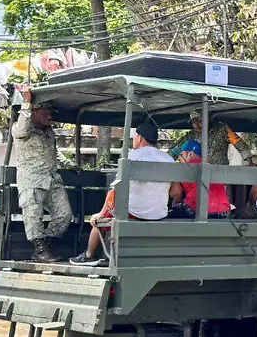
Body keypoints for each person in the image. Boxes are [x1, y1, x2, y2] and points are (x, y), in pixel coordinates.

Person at [70, 116, 175, 266]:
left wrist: (101, 213)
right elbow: (175, 191)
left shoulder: (132, 157)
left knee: (100, 220)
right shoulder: (169, 159)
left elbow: (116, 190)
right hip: (159, 214)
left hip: (134, 212)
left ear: (140, 138)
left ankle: (89, 255)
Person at [12, 90, 70, 262]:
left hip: (51, 179)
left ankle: (46, 244)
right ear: (33, 112)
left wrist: (70, 164)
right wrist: (27, 103)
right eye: (45, 112)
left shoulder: (48, 132)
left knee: (64, 214)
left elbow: (54, 153)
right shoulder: (21, 129)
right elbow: (23, 126)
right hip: (32, 180)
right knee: (33, 215)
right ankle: (40, 249)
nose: (49, 116)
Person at [168, 140, 232, 219]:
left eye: (181, 155)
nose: (179, 158)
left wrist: (175, 206)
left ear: (190, 154)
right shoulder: (212, 167)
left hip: (196, 209)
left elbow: (176, 193)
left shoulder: (182, 168)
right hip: (223, 211)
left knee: (168, 214)